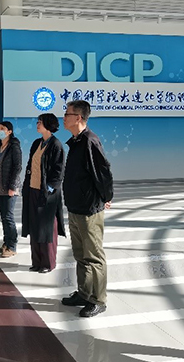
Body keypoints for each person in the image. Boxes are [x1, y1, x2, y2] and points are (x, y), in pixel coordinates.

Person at [60, 100, 113, 318]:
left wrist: (106, 197)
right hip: (75, 207)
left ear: (78, 118)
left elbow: (103, 172)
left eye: (67, 114)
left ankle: (98, 299)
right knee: (80, 254)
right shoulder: (76, 141)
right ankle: (84, 293)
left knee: (94, 256)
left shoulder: (90, 141)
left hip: (89, 209)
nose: (64, 117)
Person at [21, 113, 66, 274]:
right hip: (32, 190)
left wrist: (49, 189)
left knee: (46, 228)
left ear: (48, 124)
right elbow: (30, 165)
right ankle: (37, 262)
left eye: (40, 122)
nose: (37, 124)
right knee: (34, 226)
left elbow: (58, 171)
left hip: (47, 194)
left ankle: (48, 263)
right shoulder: (36, 143)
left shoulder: (56, 145)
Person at [0, 121, 22, 258]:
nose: (0, 131)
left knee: (8, 217)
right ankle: (6, 243)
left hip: (9, 188)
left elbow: (17, 167)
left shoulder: (14, 147)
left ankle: (12, 246)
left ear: (10, 132)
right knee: (3, 217)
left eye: (3, 129)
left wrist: (12, 186)